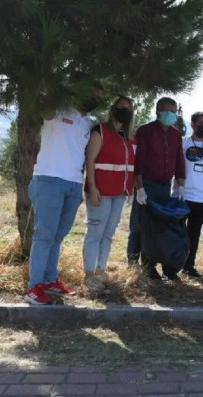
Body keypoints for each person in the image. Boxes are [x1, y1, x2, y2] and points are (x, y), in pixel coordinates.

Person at [25, 83, 103, 305]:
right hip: (48, 180)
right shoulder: (58, 111)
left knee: (57, 237)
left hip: (73, 185)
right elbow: (43, 105)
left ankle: (49, 281)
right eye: (90, 94)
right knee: (44, 236)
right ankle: (34, 287)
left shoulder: (89, 123)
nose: (93, 99)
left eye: (97, 97)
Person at [128, 97, 186, 280]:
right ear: (158, 112)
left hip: (164, 187)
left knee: (156, 228)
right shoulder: (145, 131)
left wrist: (180, 186)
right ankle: (131, 264)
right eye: (168, 111)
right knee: (139, 225)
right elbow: (139, 161)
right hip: (146, 184)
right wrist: (140, 188)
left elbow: (179, 161)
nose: (171, 115)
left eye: (174, 111)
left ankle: (149, 265)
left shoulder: (176, 135)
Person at [82, 95, 136, 291]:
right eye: (122, 106)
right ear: (113, 108)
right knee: (95, 230)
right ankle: (88, 274)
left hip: (120, 192)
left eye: (129, 108)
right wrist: (92, 187)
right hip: (101, 191)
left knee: (108, 233)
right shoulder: (100, 131)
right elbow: (90, 160)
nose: (125, 110)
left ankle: (100, 270)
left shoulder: (130, 137)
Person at [172, 111, 203, 277]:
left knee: (193, 235)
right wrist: (178, 187)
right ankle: (171, 267)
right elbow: (174, 167)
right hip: (180, 196)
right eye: (201, 124)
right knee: (176, 233)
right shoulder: (181, 143)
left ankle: (189, 266)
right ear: (193, 124)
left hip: (200, 199)